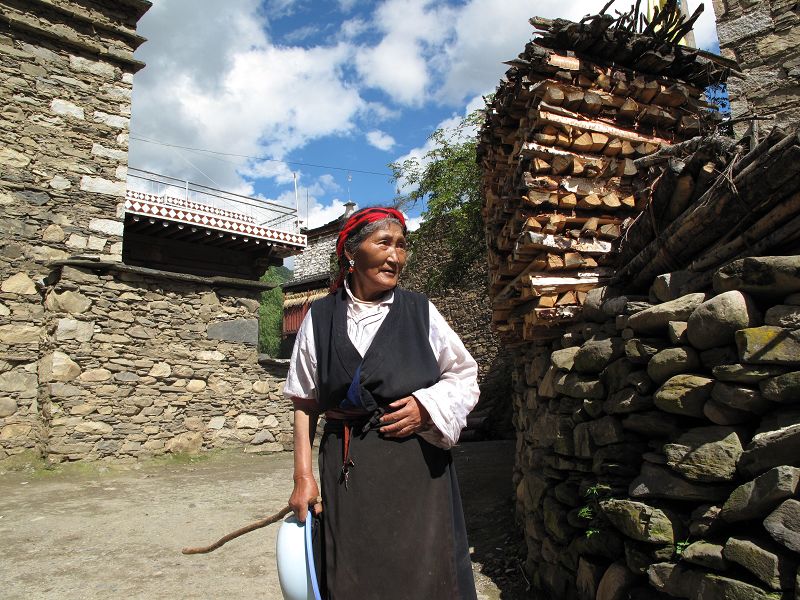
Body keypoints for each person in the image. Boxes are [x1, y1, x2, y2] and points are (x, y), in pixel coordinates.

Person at [284, 206, 480, 599]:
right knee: (354, 575)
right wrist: (303, 478)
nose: (395, 255)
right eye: (384, 243)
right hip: (348, 471)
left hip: (418, 470)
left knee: (426, 574)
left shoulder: (420, 311)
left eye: (402, 246)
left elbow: (463, 375)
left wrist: (427, 406)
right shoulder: (320, 317)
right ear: (352, 254)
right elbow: (304, 402)